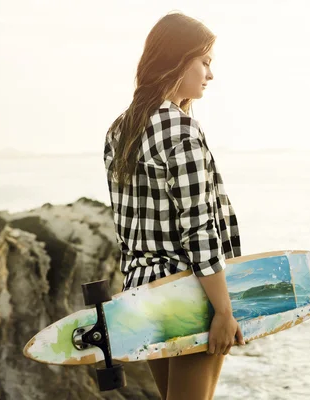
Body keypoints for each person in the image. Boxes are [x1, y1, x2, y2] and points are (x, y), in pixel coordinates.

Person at [103, 11, 245, 400]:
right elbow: (198, 229)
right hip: (187, 293)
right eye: (205, 62)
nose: (210, 74)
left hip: (142, 292)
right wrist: (223, 310)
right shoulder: (181, 129)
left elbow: (125, 228)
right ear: (178, 61)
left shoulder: (120, 130)